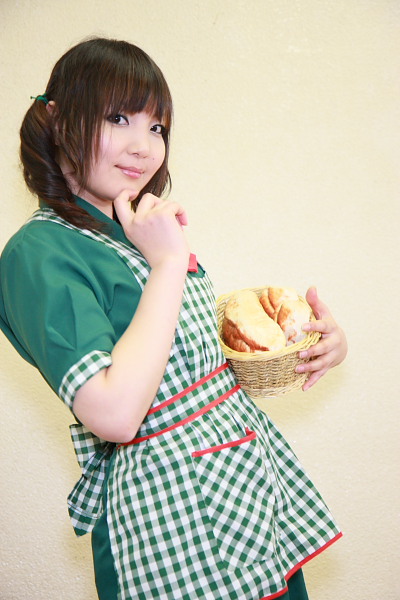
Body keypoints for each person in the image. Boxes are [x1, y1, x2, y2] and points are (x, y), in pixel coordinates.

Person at [0, 37, 347, 600]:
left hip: (244, 491)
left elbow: (192, 368)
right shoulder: (37, 253)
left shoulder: (137, 228)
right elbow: (115, 414)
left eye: (157, 126)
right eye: (118, 118)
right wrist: (166, 262)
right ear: (59, 121)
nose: (144, 147)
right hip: (171, 519)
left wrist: (303, 346)